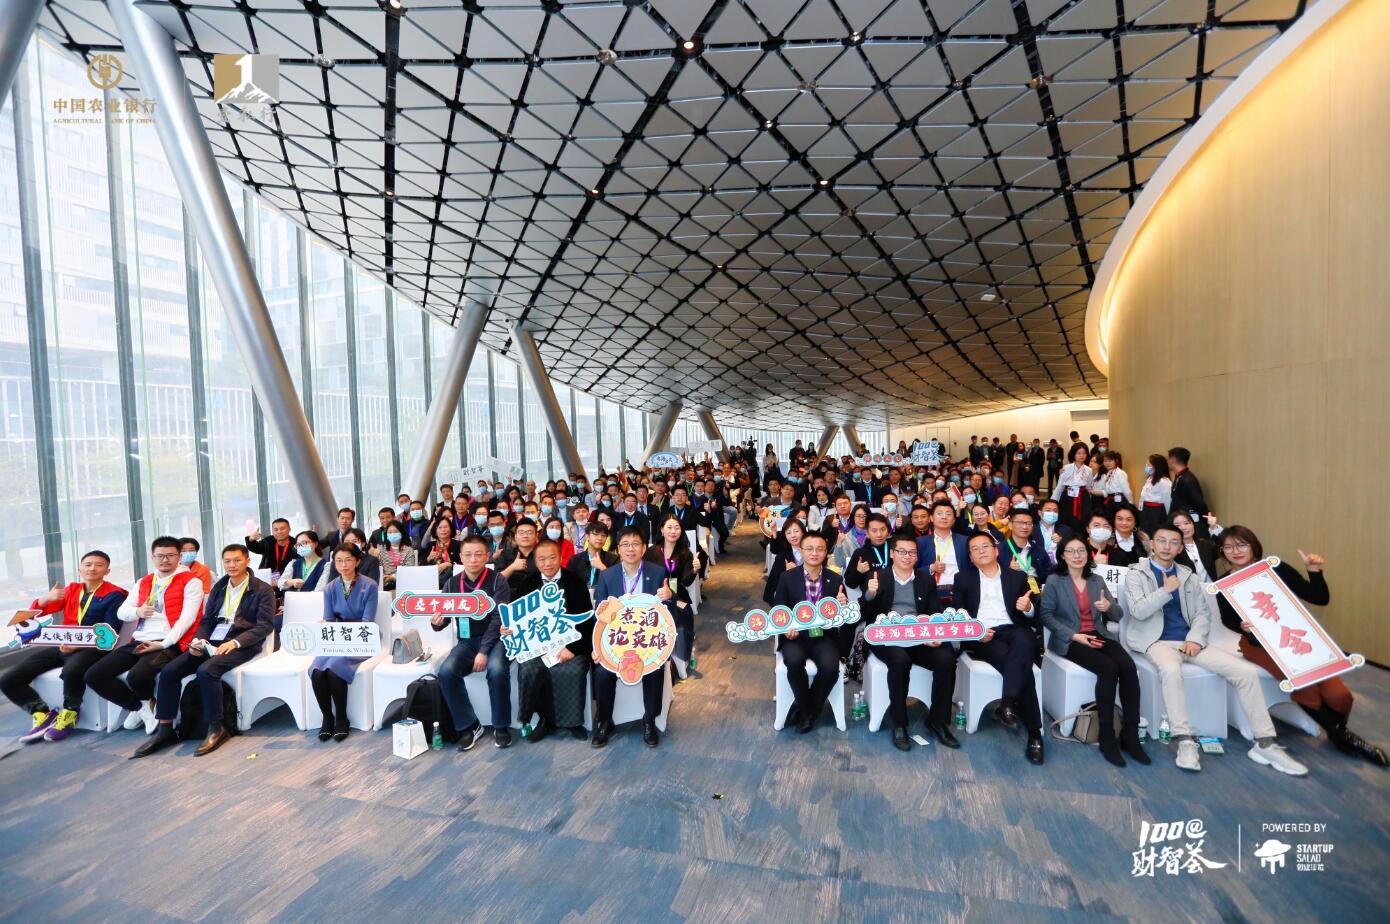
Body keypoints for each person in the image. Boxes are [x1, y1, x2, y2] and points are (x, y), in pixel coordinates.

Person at [1121, 523, 1308, 776]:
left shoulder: (1188, 575)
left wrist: (1195, 639)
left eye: (1174, 542)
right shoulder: (1136, 573)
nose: (1167, 547)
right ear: (1152, 544)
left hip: (1190, 642)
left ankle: (1265, 743)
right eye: (1161, 541)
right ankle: (1185, 740)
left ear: (1180, 548)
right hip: (1155, 642)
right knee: (1170, 671)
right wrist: (1165, 591)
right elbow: (1138, 611)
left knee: (1245, 674)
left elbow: (1202, 614)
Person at [1214, 526, 1385, 766]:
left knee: (1339, 695)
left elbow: (1319, 597)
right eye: (1229, 547)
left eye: (1242, 544)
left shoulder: (1275, 568)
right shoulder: (1225, 583)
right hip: (1259, 645)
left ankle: (1337, 732)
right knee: (1307, 688)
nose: (1236, 551)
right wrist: (1241, 626)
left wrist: (1314, 571)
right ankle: (1345, 738)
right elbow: (1227, 619)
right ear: (1222, 552)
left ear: (1253, 545)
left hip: (1296, 639)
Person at [131, 544, 274, 758]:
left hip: (241, 643)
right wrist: (199, 640)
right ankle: (165, 728)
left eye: (237, 560)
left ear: (247, 561)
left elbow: (264, 626)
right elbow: (207, 620)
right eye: (227, 561)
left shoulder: (262, 589)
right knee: (170, 671)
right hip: (212, 641)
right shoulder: (220, 586)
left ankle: (216, 727)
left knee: (207, 671)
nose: (232, 565)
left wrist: (235, 643)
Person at [1041, 536, 1147, 767]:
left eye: (1081, 550)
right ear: (1062, 556)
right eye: (1071, 551)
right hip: (1070, 639)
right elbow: (1046, 616)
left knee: (1128, 667)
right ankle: (1107, 736)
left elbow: (1117, 615)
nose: (1077, 555)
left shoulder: (1096, 580)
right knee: (1108, 669)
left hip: (1098, 634)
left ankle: (1130, 734)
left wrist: (1109, 607)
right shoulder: (1054, 580)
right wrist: (1073, 635)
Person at [4, 551, 127, 743]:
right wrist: (46, 598)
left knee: (71, 671)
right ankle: (41, 713)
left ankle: (70, 713)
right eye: (88, 564)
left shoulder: (115, 595)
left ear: (107, 571)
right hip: (63, 644)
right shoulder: (71, 590)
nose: (92, 568)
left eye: (99, 565)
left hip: (93, 648)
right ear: (79, 569)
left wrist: (77, 645)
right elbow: (34, 614)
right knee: (8, 679)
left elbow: (110, 632)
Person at [88, 537, 205, 736]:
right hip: (140, 640)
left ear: (179, 556)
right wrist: (138, 612)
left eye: (170, 555)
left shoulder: (191, 581)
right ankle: (141, 707)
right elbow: (122, 612)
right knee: (94, 675)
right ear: (153, 557)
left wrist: (164, 643)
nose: (165, 560)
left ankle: (146, 706)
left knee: (137, 677)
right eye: (160, 556)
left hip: (171, 642)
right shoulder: (144, 581)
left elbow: (188, 618)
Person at [861, 534, 959, 751]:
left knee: (946, 659)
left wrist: (934, 634)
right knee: (900, 661)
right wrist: (870, 593)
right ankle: (899, 724)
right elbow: (864, 613)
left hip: (919, 636)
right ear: (892, 553)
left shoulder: (925, 579)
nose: (907, 556)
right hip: (887, 638)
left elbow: (934, 611)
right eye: (902, 552)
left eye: (912, 552)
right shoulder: (877, 577)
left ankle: (938, 721)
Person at [956, 531, 1045, 764]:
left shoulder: (1017, 576)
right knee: (1022, 666)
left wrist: (1028, 608)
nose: (981, 551)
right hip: (985, 636)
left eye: (985, 546)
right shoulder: (962, 578)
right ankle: (1035, 733)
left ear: (996, 550)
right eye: (975, 549)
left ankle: (1008, 702)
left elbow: (1035, 611)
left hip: (1014, 629)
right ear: (970, 557)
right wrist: (976, 631)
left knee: (1024, 640)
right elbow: (958, 614)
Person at [591, 527, 674, 748]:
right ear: (618, 549)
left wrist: (669, 596)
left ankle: (650, 721)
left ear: (644, 548)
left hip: (647, 642)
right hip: (616, 643)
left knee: (654, 670)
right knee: (602, 673)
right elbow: (600, 616)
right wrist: (597, 647)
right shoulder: (607, 576)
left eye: (636, 544)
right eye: (625, 544)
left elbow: (671, 610)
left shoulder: (658, 573)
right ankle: (604, 722)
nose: (631, 549)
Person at [430, 535, 515, 751]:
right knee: (446, 672)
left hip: (496, 640)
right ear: (460, 557)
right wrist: (436, 622)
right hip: (467, 641)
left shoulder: (498, 581)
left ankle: (501, 726)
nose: (473, 559)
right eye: (468, 555)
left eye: (478, 554)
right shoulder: (451, 583)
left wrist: (484, 651)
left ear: (487, 556)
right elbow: (445, 617)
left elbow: (498, 618)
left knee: (496, 669)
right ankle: (469, 725)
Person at [514, 539, 594, 742]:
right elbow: (516, 619)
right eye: (542, 559)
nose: (548, 563)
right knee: (530, 669)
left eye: (552, 557)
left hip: (571, 644)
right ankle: (543, 720)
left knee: (572, 670)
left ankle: (573, 722)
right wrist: (510, 628)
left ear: (560, 558)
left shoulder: (575, 582)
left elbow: (586, 622)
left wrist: (572, 648)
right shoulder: (528, 584)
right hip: (538, 646)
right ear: (536, 561)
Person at [771, 531, 849, 733]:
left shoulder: (835, 579)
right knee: (794, 661)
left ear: (826, 551)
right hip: (795, 635)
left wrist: (843, 605)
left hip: (823, 636)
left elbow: (843, 616)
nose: (814, 553)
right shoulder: (787, 577)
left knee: (830, 668)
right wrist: (785, 628)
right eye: (810, 549)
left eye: (820, 549)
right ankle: (808, 710)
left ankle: (805, 709)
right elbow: (778, 609)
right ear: (801, 550)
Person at [309, 543, 378, 742]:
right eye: (339, 561)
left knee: (334, 667)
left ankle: (341, 718)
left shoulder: (369, 585)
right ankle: (327, 717)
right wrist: (325, 626)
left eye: (348, 560)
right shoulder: (330, 587)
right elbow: (329, 620)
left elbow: (367, 621)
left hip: (362, 638)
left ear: (357, 561)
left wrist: (348, 634)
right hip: (337, 637)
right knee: (317, 670)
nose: (343, 565)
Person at [647, 515, 698, 677]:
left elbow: (686, 582)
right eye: (669, 527)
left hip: (678, 595)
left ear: (681, 531)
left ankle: (682, 658)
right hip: (654, 595)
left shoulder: (685, 553)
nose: (673, 531)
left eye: (677, 527)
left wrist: (694, 570)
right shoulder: (651, 551)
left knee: (683, 614)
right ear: (662, 529)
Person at [916, 501, 972, 607]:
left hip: (961, 592)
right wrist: (931, 568)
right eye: (939, 513)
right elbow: (911, 570)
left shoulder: (965, 541)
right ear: (931, 518)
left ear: (954, 520)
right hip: (931, 593)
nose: (944, 517)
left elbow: (973, 567)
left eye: (948, 514)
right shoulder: (920, 542)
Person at [566, 521, 615, 599]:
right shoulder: (575, 560)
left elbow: (615, 585)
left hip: (604, 600)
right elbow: (567, 584)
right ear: (587, 536)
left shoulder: (613, 559)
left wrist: (602, 568)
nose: (600, 538)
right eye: (596, 534)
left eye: (603, 535)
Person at [762, 516, 806, 604]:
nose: (793, 535)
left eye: (796, 531)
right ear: (785, 536)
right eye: (788, 533)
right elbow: (776, 584)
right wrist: (774, 532)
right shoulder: (783, 556)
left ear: (803, 532)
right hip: (790, 599)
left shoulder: (811, 552)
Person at [1167, 447, 1208, 535]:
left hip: (1188, 521)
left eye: (1168, 458)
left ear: (1173, 460)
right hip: (1179, 518)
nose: (1167, 462)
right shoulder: (1180, 477)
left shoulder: (1187, 479)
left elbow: (1199, 503)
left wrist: (1207, 522)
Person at [1055, 444, 1095, 532]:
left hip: (1082, 497)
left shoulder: (1089, 470)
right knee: (1066, 518)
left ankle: (1080, 536)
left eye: (1084, 453)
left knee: (1083, 519)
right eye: (1078, 453)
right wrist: (1054, 501)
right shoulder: (1066, 468)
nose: (1081, 455)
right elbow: (1060, 486)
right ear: (1073, 454)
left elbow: (1089, 486)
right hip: (1067, 496)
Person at [1170, 511, 1217, 584]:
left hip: (1211, 588)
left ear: (1193, 525)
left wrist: (1214, 527)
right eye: (1177, 525)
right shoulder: (1172, 551)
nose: (1183, 527)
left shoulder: (1205, 544)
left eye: (1187, 523)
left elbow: (1222, 549)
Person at [374, 520, 417, 591]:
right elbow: (379, 568)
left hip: (404, 582)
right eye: (390, 532)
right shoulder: (381, 549)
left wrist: (393, 577)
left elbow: (409, 569)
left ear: (401, 533)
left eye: (395, 532)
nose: (392, 534)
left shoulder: (409, 550)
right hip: (385, 583)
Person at [1137, 454, 1172, 536]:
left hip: (1156, 513)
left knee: (1154, 534)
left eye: (1149, 465)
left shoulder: (1164, 482)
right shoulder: (1150, 479)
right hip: (1146, 510)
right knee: (1144, 534)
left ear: (1157, 466)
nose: (1146, 466)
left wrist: (1169, 519)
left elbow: (1168, 501)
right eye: (1146, 464)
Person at [424, 517, 461, 589]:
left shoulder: (458, 545)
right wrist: (428, 559)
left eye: (446, 527)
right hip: (433, 581)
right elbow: (421, 567)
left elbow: (463, 564)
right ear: (435, 530)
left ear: (451, 529)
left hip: (453, 580)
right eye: (439, 527)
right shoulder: (430, 545)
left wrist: (449, 564)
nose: (443, 530)